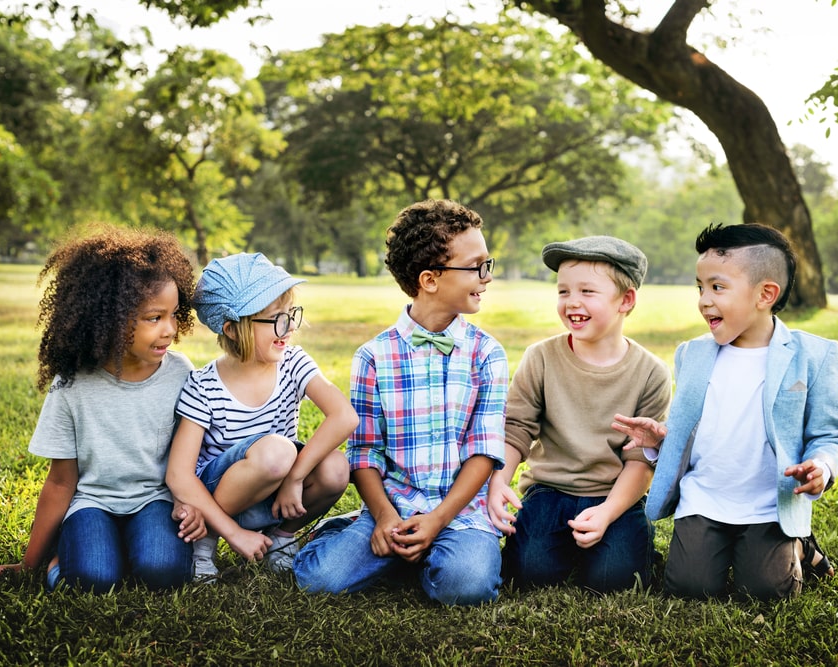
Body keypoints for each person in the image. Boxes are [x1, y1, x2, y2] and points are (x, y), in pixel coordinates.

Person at [615, 222, 838, 601]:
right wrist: (661, 438)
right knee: (689, 588)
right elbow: (692, 429)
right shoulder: (692, 354)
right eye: (700, 287)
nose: (704, 300)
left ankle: (801, 546)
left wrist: (821, 465)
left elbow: (829, 435)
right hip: (705, 497)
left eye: (717, 287)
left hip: (767, 505)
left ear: (765, 294)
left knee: (767, 591)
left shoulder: (815, 356)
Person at [293, 199, 508, 606]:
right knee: (318, 580)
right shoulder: (373, 356)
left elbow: (484, 450)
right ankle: (361, 535)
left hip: (460, 515)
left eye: (488, 264)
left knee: (467, 586)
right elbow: (364, 451)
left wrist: (438, 520)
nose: (488, 277)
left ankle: (424, 555)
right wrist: (385, 516)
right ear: (430, 279)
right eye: (477, 266)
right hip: (392, 506)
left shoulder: (487, 353)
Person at [0, 227, 206, 593]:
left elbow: (190, 458)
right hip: (92, 502)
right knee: (94, 578)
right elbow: (60, 481)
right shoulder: (72, 384)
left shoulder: (181, 373)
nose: (169, 330)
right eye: (154, 318)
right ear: (111, 318)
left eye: (174, 314)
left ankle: (120, 550)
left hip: (154, 499)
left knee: (164, 570)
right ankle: (62, 556)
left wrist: (189, 502)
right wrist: (28, 564)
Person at [486, 236, 671, 593]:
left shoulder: (652, 372)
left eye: (587, 291)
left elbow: (640, 460)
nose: (572, 302)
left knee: (613, 580)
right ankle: (564, 547)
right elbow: (516, 430)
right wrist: (499, 482)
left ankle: (631, 544)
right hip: (550, 490)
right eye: (563, 291)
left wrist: (607, 512)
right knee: (529, 573)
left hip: (613, 491)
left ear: (626, 300)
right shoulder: (540, 357)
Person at [166, 252, 357, 580]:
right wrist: (230, 531)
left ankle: (281, 538)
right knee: (277, 451)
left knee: (336, 468)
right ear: (232, 328)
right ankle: (204, 545)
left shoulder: (293, 362)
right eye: (277, 319)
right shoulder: (204, 386)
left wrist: (295, 478)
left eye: (290, 315)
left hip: (276, 486)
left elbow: (344, 416)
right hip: (217, 499)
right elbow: (179, 475)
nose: (290, 327)